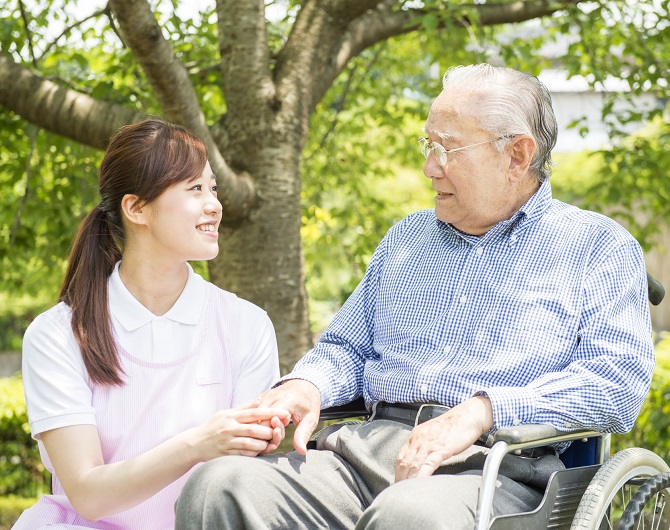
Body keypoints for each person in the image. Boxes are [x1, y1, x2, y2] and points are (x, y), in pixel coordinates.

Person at [175, 64, 655, 529]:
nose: (429, 167)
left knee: (410, 516)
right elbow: (347, 348)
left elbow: (614, 384)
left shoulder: (597, 247)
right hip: (364, 456)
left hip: (494, 472)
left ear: (517, 155)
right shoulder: (408, 238)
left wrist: (482, 411)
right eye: (429, 145)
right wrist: (308, 386)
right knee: (219, 485)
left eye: (447, 149)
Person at [15, 119, 290, 530]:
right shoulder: (56, 335)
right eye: (194, 189)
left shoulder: (247, 325)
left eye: (212, 187)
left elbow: (242, 482)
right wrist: (197, 444)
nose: (214, 203)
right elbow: (88, 495)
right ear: (136, 207)